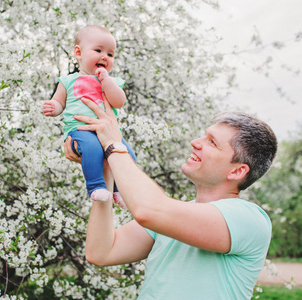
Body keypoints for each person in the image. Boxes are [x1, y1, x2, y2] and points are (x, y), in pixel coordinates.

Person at [64, 96, 278, 299]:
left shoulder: (249, 219)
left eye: (212, 142)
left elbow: (148, 211)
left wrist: (114, 145)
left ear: (237, 171)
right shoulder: (171, 216)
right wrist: (106, 171)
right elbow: (101, 252)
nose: (196, 142)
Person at [43, 25, 136, 207]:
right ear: (79, 53)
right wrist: (52, 107)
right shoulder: (68, 80)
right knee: (92, 149)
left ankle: (119, 190)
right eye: (98, 50)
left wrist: (106, 81)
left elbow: (119, 101)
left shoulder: (112, 82)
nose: (105, 57)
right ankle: (96, 187)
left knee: (128, 155)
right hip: (81, 129)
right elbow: (59, 102)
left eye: (110, 54)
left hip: (109, 131)